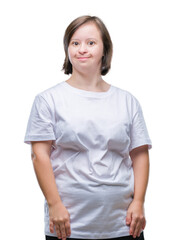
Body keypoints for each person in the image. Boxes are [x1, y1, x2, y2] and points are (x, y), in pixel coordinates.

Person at [24, 15, 152, 240]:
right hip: (68, 226)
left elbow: (139, 154)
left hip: (123, 224)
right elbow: (39, 155)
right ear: (67, 49)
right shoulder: (48, 100)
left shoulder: (127, 101)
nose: (82, 49)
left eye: (91, 43)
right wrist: (54, 205)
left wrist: (139, 202)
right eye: (75, 43)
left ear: (105, 50)